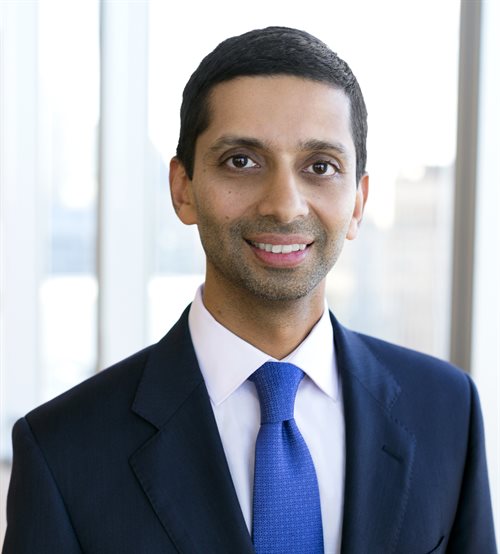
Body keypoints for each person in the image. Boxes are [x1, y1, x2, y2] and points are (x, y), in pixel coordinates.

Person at [3, 27, 496, 554]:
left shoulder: (447, 410)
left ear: (357, 201)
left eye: (320, 167)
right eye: (242, 160)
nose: (284, 205)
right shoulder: (64, 450)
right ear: (183, 188)